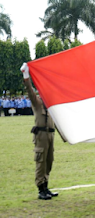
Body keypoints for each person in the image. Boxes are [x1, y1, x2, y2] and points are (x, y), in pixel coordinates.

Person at [20, 63, 59, 200]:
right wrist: (26, 75)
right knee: (41, 161)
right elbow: (30, 91)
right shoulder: (37, 102)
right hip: (41, 135)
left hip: (50, 134)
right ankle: (40, 189)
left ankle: (46, 186)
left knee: (49, 160)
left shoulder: (51, 104)